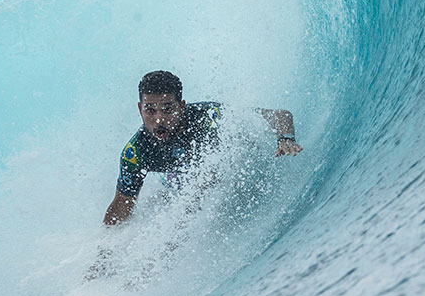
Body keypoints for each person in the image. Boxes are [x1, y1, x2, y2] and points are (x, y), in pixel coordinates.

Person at [102, 70, 302, 225]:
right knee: (159, 204)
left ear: (181, 105)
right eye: (150, 110)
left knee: (205, 179)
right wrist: (105, 250)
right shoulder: (135, 153)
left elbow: (280, 115)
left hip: (233, 171)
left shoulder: (208, 117)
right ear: (140, 108)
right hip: (178, 180)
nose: (159, 119)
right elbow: (121, 207)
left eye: (168, 109)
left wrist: (285, 138)